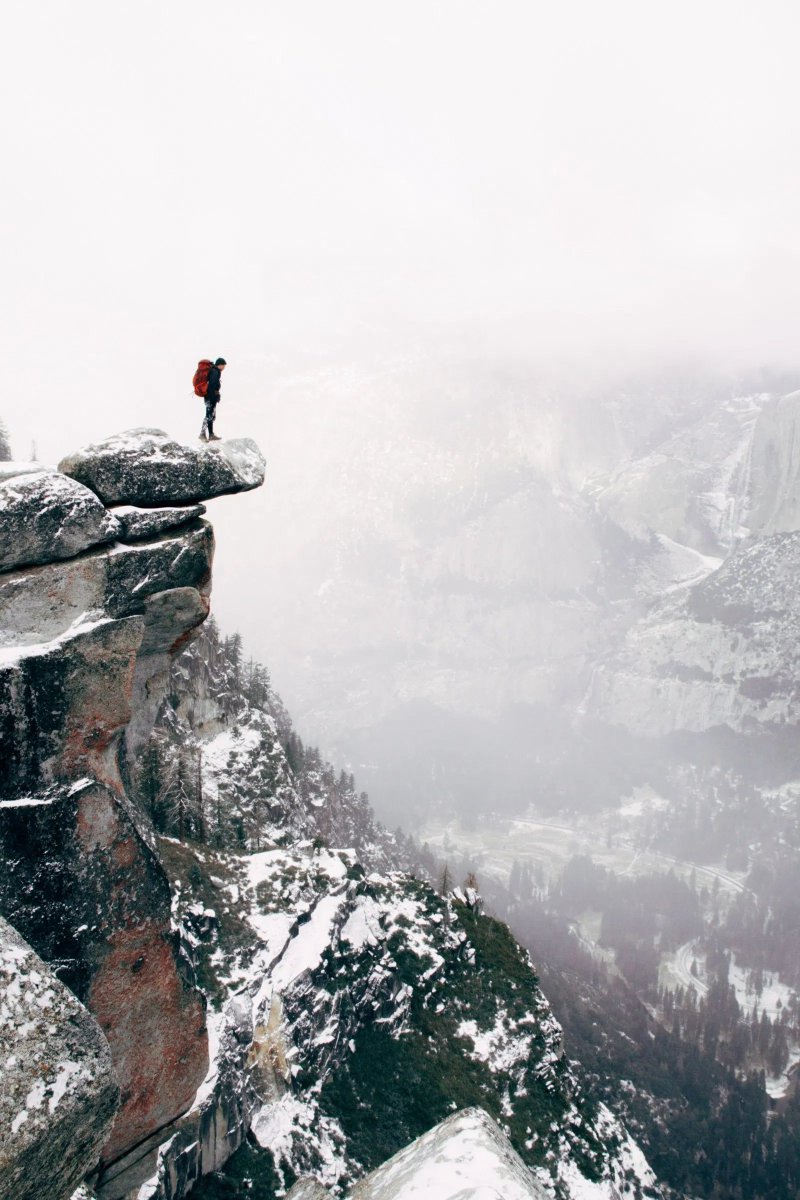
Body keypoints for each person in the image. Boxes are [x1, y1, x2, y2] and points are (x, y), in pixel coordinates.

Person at [200, 357, 227, 442]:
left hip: (209, 396)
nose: (224, 368)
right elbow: (212, 385)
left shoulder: (214, 371)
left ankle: (210, 434)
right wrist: (214, 397)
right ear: (220, 365)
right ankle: (203, 434)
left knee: (211, 415)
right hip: (210, 397)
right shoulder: (215, 372)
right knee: (209, 415)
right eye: (223, 366)